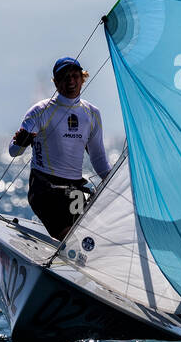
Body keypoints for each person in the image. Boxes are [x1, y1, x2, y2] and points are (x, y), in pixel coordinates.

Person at [9, 56, 111, 240]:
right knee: (71, 239)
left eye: (75, 76)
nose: (70, 81)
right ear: (56, 83)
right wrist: (20, 143)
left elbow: (99, 159)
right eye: (64, 77)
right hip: (44, 188)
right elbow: (13, 152)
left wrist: (118, 187)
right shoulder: (40, 111)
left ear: (83, 78)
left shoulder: (92, 113)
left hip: (74, 190)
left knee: (91, 240)